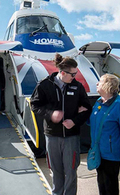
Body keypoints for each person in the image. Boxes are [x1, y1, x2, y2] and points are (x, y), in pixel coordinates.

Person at [30, 53, 92, 195]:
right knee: (56, 170)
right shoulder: (45, 85)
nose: (74, 77)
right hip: (52, 136)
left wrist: (74, 121)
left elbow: (87, 108)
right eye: (72, 74)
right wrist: (50, 114)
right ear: (62, 72)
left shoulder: (77, 87)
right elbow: (35, 105)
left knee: (71, 171)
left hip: (71, 137)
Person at [88, 74, 120, 195]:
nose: (97, 84)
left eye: (100, 81)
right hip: (98, 151)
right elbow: (94, 123)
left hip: (111, 153)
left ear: (107, 85)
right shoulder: (99, 102)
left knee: (110, 185)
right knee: (101, 182)